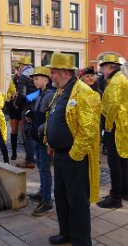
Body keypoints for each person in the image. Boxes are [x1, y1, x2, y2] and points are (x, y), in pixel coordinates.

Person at [46, 53, 101, 245]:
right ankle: (66, 233)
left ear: (64, 72)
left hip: (74, 158)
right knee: (61, 196)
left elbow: (90, 131)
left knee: (77, 201)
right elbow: (52, 116)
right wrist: (50, 142)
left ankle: (81, 241)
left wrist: (74, 154)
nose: (51, 76)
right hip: (60, 155)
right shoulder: (61, 91)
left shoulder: (85, 93)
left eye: (53, 72)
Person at [97, 54, 128, 209]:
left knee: (114, 162)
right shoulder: (119, 79)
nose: (102, 70)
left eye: (103, 67)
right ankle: (124, 191)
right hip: (122, 126)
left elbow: (114, 105)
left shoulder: (116, 81)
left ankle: (115, 197)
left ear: (110, 67)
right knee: (123, 160)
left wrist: (108, 126)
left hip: (116, 127)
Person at [27, 67, 55, 216]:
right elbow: (38, 112)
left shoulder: (50, 94)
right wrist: (31, 115)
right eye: (34, 78)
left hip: (44, 137)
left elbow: (50, 117)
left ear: (46, 79)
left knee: (44, 168)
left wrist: (39, 128)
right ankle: (42, 192)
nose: (34, 80)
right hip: (38, 136)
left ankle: (47, 201)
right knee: (40, 165)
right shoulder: (41, 93)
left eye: (37, 78)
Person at [15, 56, 37, 168]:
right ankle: (35, 158)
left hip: (27, 108)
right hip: (37, 107)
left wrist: (17, 103)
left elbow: (22, 95)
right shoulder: (35, 75)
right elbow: (40, 92)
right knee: (36, 133)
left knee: (28, 134)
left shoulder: (23, 77)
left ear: (22, 65)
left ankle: (30, 160)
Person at [6, 66, 23, 161]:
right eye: (19, 69)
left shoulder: (28, 79)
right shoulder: (13, 80)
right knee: (14, 130)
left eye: (22, 69)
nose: (20, 71)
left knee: (24, 130)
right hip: (14, 107)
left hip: (23, 107)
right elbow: (8, 94)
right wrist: (12, 95)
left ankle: (29, 155)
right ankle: (14, 152)